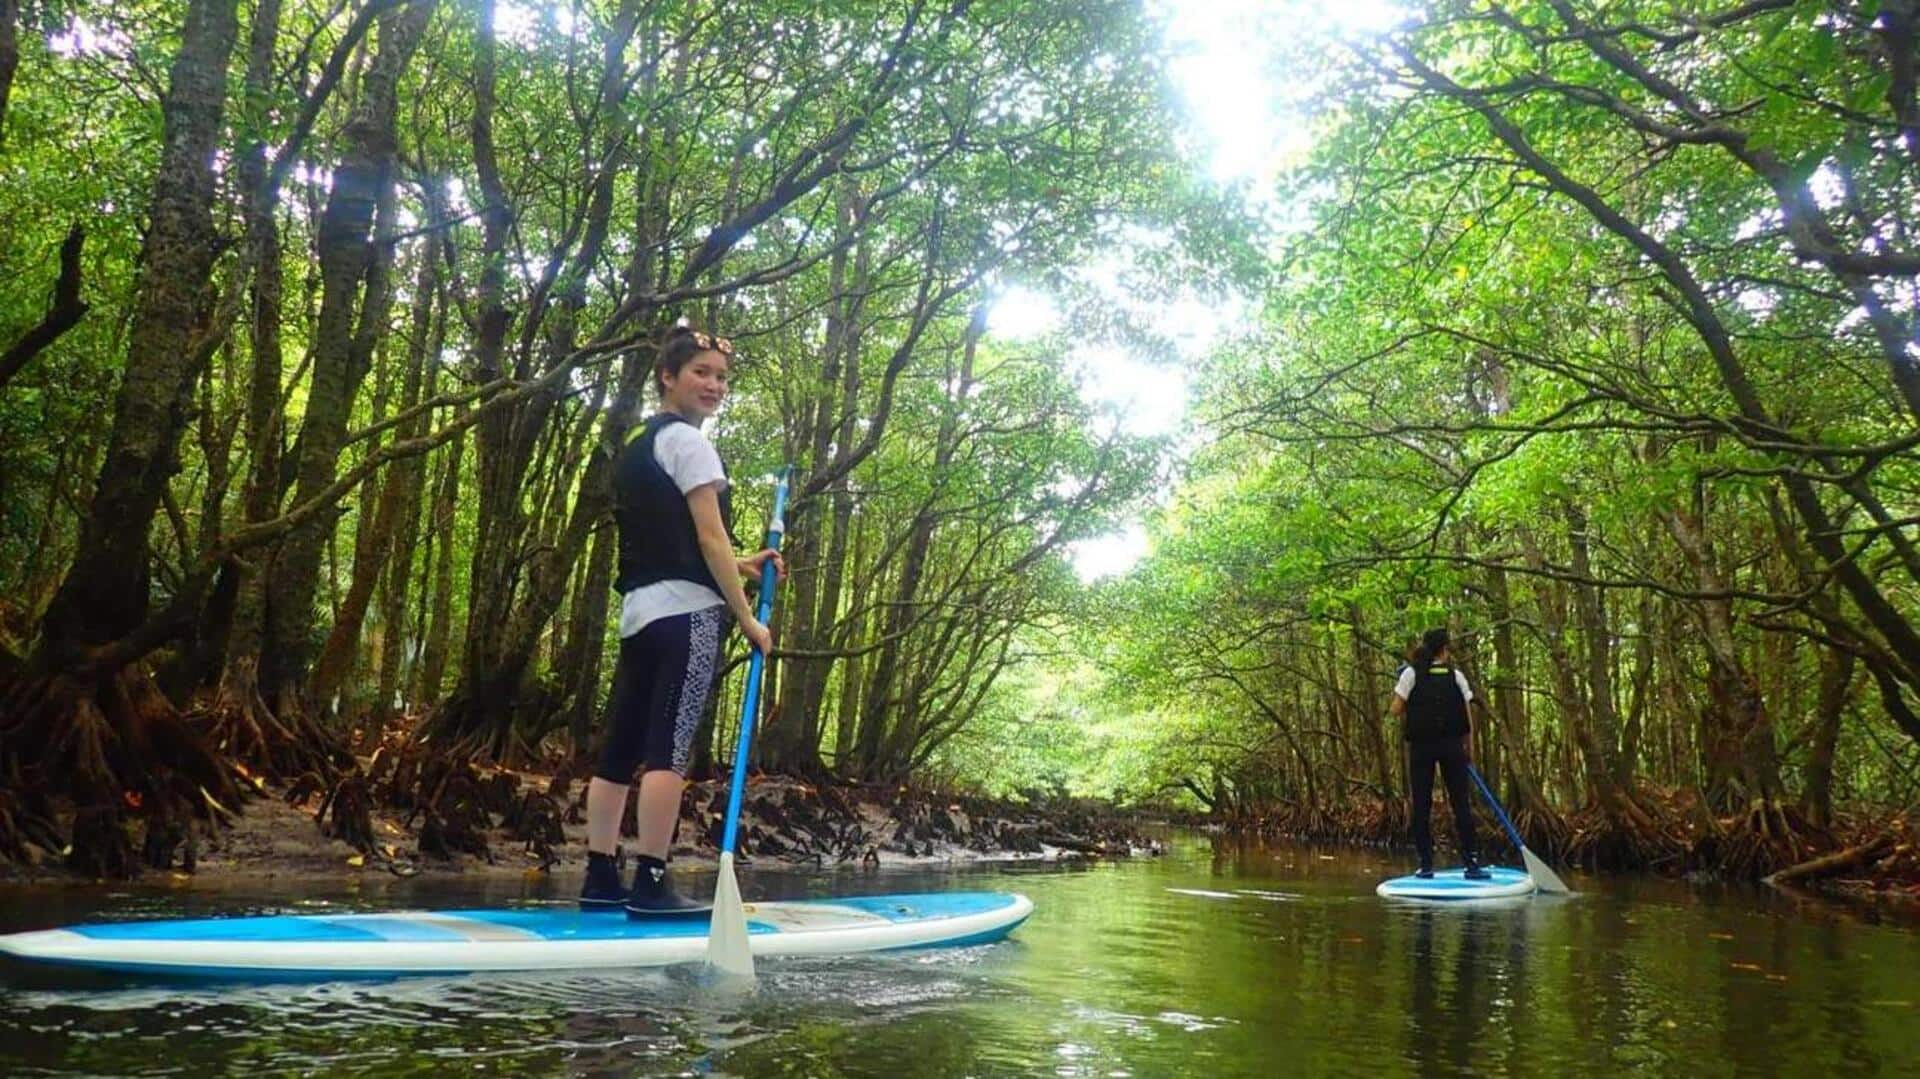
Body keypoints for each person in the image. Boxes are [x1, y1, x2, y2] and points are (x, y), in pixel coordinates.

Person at [580, 324, 782, 915]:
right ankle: (651, 880)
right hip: (689, 617)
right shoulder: (691, 445)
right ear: (668, 377)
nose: (714, 385)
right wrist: (746, 618)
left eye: (721, 377)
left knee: (620, 750)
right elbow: (707, 536)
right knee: (668, 749)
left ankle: (599, 877)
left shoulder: (639, 444)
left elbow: (668, 540)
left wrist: (744, 563)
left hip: (640, 616)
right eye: (701, 372)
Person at [1389, 627, 1488, 880]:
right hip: (1453, 747)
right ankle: (1471, 863)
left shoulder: (1411, 674)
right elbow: (1467, 716)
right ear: (1444, 649)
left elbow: (1395, 710)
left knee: (1421, 805)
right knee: (1461, 804)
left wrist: (1403, 686)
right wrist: (1470, 749)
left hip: (1422, 748)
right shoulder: (1457, 676)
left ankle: (1425, 864)